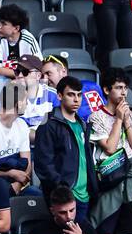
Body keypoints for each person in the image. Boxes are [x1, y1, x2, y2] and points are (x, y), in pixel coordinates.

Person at [88, 68, 132, 234]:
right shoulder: (96, 117)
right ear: (106, 90)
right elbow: (110, 148)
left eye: (125, 88)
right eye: (119, 87)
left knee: (129, 233)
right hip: (111, 180)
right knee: (104, 233)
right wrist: (119, 119)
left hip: (131, 179)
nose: (124, 92)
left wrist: (127, 121)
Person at [35, 76, 98, 221]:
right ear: (59, 96)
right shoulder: (49, 124)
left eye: (79, 95)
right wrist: (62, 188)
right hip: (64, 197)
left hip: (84, 195)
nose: (76, 99)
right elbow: (43, 164)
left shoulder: (83, 124)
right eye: (71, 94)